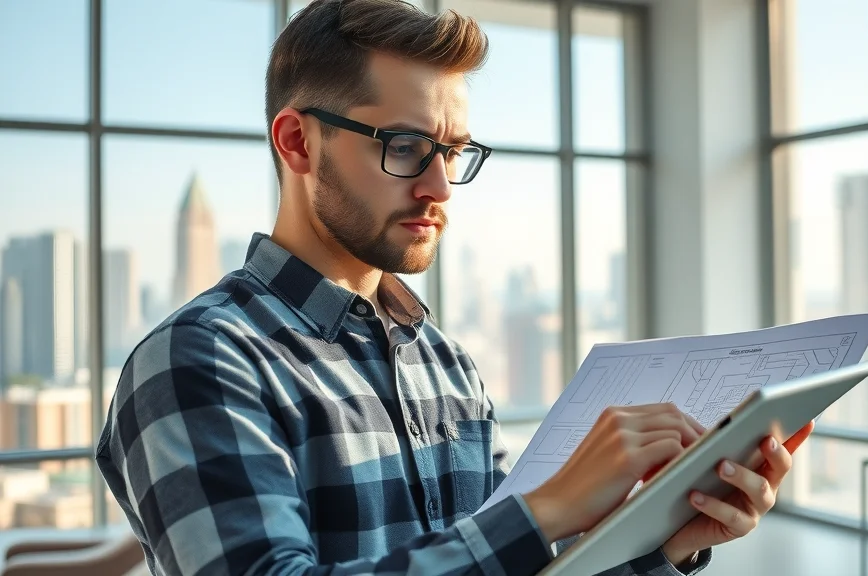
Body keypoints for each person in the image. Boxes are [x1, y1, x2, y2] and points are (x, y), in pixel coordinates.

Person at [95, 1, 813, 574]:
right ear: (297, 142)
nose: (441, 187)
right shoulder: (198, 360)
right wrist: (542, 511)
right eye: (406, 148)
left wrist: (664, 543)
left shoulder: (443, 363)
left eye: (455, 152)